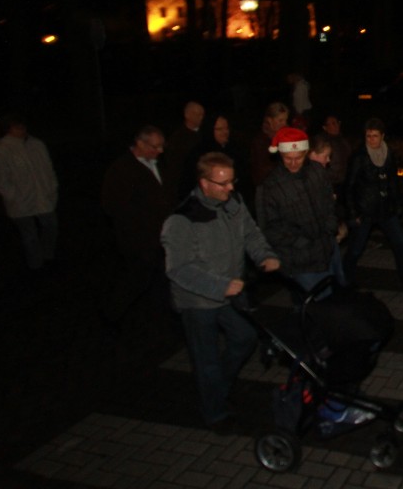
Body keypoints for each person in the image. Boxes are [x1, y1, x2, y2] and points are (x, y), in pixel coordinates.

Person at [161, 152, 280, 433]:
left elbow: (250, 233)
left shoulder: (233, 203)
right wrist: (220, 285)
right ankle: (215, 413)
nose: (230, 188)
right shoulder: (182, 220)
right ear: (204, 183)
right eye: (223, 183)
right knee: (207, 360)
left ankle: (217, 388)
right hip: (198, 301)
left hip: (230, 293)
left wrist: (264, 255)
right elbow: (178, 269)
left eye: (232, 181)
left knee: (245, 337)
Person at [255, 128, 344, 297]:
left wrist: (330, 227)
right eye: (288, 158)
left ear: (306, 154)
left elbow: (329, 203)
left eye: (298, 158)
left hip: (327, 249)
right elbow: (269, 227)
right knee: (318, 302)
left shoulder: (317, 172)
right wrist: (301, 242)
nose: (293, 163)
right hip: (299, 259)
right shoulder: (270, 187)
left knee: (336, 296)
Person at [99, 125, 170, 333]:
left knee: (159, 279)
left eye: (161, 146)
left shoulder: (158, 163)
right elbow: (112, 206)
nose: (160, 151)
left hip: (160, 237)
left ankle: (158, 319)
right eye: (155, 146)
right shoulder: (122, 170)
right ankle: (113, 315)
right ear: (140, 144)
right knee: (136, 279)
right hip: (139, 240)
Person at [344, 118, 403, 289]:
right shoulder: (359, 157)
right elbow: (349, 186)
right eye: (368, 136)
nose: (371, 140)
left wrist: (397, 204)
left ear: (382, 136)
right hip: (365, 210)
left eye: (375, 136)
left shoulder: (388, 153)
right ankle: (344, 280)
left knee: (400, 244)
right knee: (355, 249)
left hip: (386, 209)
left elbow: (393, 181)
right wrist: (353, 213)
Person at [0, 114, 59, 273]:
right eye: (16, 127)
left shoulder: (37, 144)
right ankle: (36, 264)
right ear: (8, 129)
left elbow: (48, 168)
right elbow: (1, 179)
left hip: (43, 195)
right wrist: (13, 196)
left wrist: (52, 187)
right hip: (20, 201)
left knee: (51, 227)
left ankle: (47, 256)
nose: (21, 130)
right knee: (29, 235)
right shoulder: (2, 150)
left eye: (22, 126)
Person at [162, 101, 205, 201]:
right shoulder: (177, 139)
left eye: (202, 114)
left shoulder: (205, 134)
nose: (201, 117)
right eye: (197, 114)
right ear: (187, 115)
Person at [249, 102, 289, 193]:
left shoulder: (286, 135)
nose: (284, 124)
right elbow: (261, 171)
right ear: (269, 120)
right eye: (280, 120)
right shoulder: (260, 141)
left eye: (285, 120)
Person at [320, 114, 352, 198]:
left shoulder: (344, 140)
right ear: (325, 127)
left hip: (345, 182)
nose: (336, 125)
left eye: (337, 122)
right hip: (331, 183)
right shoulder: (323, 142)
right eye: (333, 123)